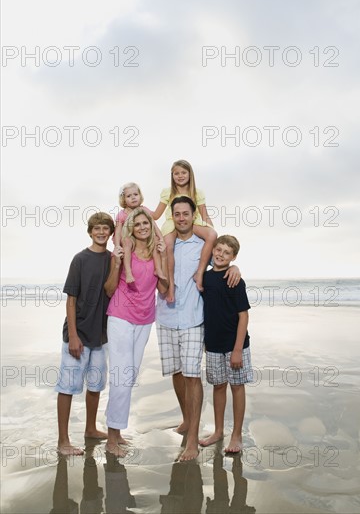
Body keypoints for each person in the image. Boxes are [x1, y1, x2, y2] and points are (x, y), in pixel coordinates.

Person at [156, 197, 240, 462]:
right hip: (167, 318)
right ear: (172, 216)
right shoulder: (165, 243)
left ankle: (192, 439)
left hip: (193, 319)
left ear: (194, 216)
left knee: (193, 376)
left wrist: (236, 267)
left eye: (186, 214)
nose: (181, 218)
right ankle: (186, 419)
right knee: (177, 373)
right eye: (177, 214)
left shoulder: (206, 243)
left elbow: (225, 258)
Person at [105, 207, 169, 457]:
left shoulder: (155, 250)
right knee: (121, 377)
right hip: (120, 316)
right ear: (131, 226)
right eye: (138, 223)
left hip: (145, 319)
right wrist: (118, 262)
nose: (143, 227)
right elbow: (109, 289)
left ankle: (117, 432)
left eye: (147, 223)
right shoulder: (124, 248)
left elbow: (163, 289)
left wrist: (162, 263)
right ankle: (111, 439)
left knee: (129, 377)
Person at [55, 212, 115, 456]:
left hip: (101, 335)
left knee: (96, 385)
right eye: (97, 228)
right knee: (67, 387)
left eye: (105, 229)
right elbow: (71, 300)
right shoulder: (80, 259)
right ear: (90, 232)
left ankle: (91, 428)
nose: (101, 232)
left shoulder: (113, 260)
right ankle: (63, 441)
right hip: (78, 332)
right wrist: (73, 335)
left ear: (111, 233)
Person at [199, 235, 253, 453]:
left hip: (235, 345)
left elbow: (244, 316)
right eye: (218, 250)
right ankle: (218, 431)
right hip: (212, 344)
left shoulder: (235, 280)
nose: (220, 254)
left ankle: (237, 435)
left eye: (227, 252)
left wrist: (238, 349)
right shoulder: (205, 277)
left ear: (234, 257)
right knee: (218, 386)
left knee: (237, 387)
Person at [152, 160, 217, 303]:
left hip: (193, 220)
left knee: (212, 235)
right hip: (172, 221)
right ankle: (170, 288)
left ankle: (199, 273)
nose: (180, 176)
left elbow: (204, 215)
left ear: (190, 174)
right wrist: (138, 210)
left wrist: (214, 234)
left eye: (183, 172)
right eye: (176, 173)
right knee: (167, 244)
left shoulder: (197, 192)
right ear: (172, 175)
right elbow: (156, 215)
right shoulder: (167, 192)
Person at [114, 182, 166, 284]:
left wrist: (161, 238)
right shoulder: (122, 214)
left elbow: (154, 226)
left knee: (155, 240)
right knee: (126, 241)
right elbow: (118, 231)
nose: (133, 198)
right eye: (129, 196)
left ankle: (158, 269)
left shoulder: (144, 209)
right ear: (123, 199)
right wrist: (117, 245)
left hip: (142, 238)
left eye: (135, 195)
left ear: (140, 196)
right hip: (128, 239)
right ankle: (128, 272)